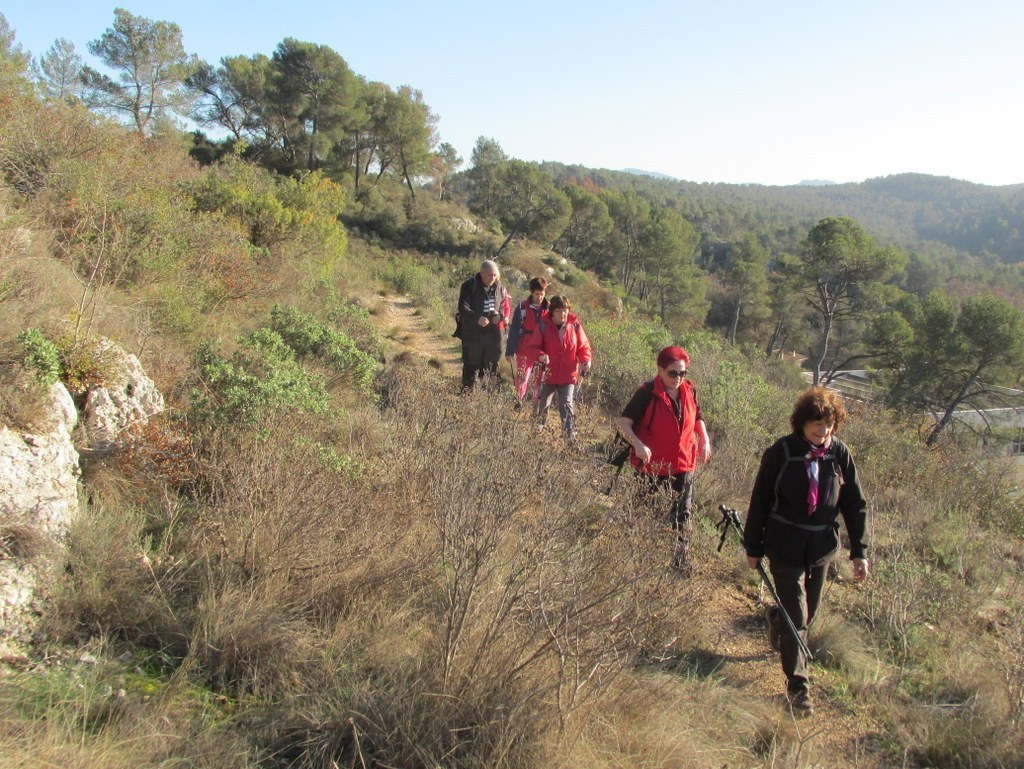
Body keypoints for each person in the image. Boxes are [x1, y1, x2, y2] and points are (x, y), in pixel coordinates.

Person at [741, 386, 869, 717]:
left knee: (807, 613)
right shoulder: (781, 452)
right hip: (784, 544)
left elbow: (855, 504)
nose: (822, 430)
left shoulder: (839, 454)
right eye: (816, 423)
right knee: (796, 618)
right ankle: (799, 689)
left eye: (828, 425)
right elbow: (761, 500)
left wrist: (860, 550)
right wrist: (752, 546)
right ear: (802, 422)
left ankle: (775, 617)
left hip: (822, 546)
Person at [615, 346, 711, 575]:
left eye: (683, 373)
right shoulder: (647, 392)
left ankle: (681, 560)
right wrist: (638, 444)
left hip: (683, 463)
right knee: (640, 511)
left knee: (682, 514)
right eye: (673, 373)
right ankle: (631, 557)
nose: (678, 378)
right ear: (660, 370)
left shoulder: (689, 390)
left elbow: (697, 416)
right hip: (651, 465)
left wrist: (704, 439)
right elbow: (623, 423)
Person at [535, 295, 592, 443]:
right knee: (543, 405)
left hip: (568, 374)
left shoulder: (575, 325)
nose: (563, 313)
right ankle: (536, 435)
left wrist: (586, 359)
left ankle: (570, 439)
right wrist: (541, 355)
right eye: (559, 310)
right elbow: (534, 346)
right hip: (547, 373)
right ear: (552, 312)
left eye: (565, 310)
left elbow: (583, 346)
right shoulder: (543, 324)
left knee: (567, 405)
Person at [455, 259, 511, 390]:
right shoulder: (470, 285)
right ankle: (468, 395)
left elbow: (505, 306)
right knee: (471, 365)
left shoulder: (500, 288)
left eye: (495, 275)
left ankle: (491, 397)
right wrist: (477, 318)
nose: (493, 278)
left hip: (494, 336)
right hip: (473, 335)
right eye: (490, 275)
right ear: (481, 273)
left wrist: (500, 316)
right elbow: (463, 307)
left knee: (492, 366)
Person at [505, 277, 549, 406]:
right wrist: (509, 351)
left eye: (542, 294)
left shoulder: (550, 308)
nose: (539, 297)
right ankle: (518, 400)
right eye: (537, 294)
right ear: (531, 292)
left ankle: (537, 406)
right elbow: (514, 330)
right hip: (524, 348)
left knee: (539, 380)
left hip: (542, 350)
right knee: (522, 377)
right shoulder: (522, 307)